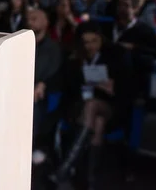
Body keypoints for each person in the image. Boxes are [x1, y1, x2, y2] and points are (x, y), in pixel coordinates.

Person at [53, 22, 129, 189]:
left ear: (101, 40)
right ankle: (90, 179)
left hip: (109, 105)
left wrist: (110, 87)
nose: (90, 46)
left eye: (94, 41)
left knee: (93, 106)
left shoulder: (114, 55)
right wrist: (83, 80)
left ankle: (66, 167)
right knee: (98, 121)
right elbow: (68, 88)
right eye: (86, 42)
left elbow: (126, 88)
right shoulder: (73, 59)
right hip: (79, 106)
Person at [106, 0, 156, 101]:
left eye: (126, 6)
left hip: (132, 75)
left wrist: (134, 47)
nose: (121, 9)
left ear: (135, 9)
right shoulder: (109, 27)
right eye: (119, 5)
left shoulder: (145, 30)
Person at [28, 9, 62, 164]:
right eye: (29, 18)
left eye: (35, 18)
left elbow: (53, 74)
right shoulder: (22, 44)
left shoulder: (53, 48)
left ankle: (34, 147)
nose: (30, 21)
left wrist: (43, 84)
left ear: (46, 22)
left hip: (40, 93)